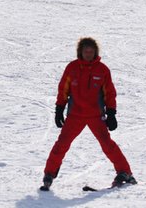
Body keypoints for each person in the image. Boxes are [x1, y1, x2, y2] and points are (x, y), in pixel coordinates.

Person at [40, 38, 135, 191]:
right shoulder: (72, 68)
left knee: (107, 144)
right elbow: (63, 89)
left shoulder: (102, 70)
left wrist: (111, 113)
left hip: (95, 116)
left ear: (95, 52)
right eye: (86, 51)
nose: (88, 54)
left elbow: (109, 93)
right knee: (61, 144)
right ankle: (49, 174)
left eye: (91, 52)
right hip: (75, 115)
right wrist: (59, 109)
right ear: (81, 52)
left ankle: (125, 172)